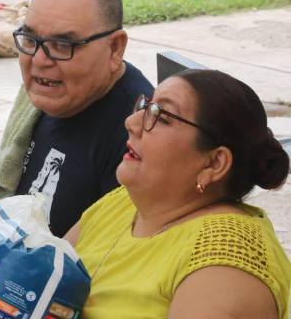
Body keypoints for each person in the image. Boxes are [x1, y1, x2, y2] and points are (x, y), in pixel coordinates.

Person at [65, 69, 291, 318]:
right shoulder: (126, 203)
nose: (132, 123)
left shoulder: (225, 264)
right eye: (146, 106)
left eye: (162, 118)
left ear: (213, 163)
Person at [0, 0, 153, 236]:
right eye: (31, 40)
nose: (40, 61)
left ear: (115, 48)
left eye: (62, 45)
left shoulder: (139, 139)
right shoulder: (47, 97)